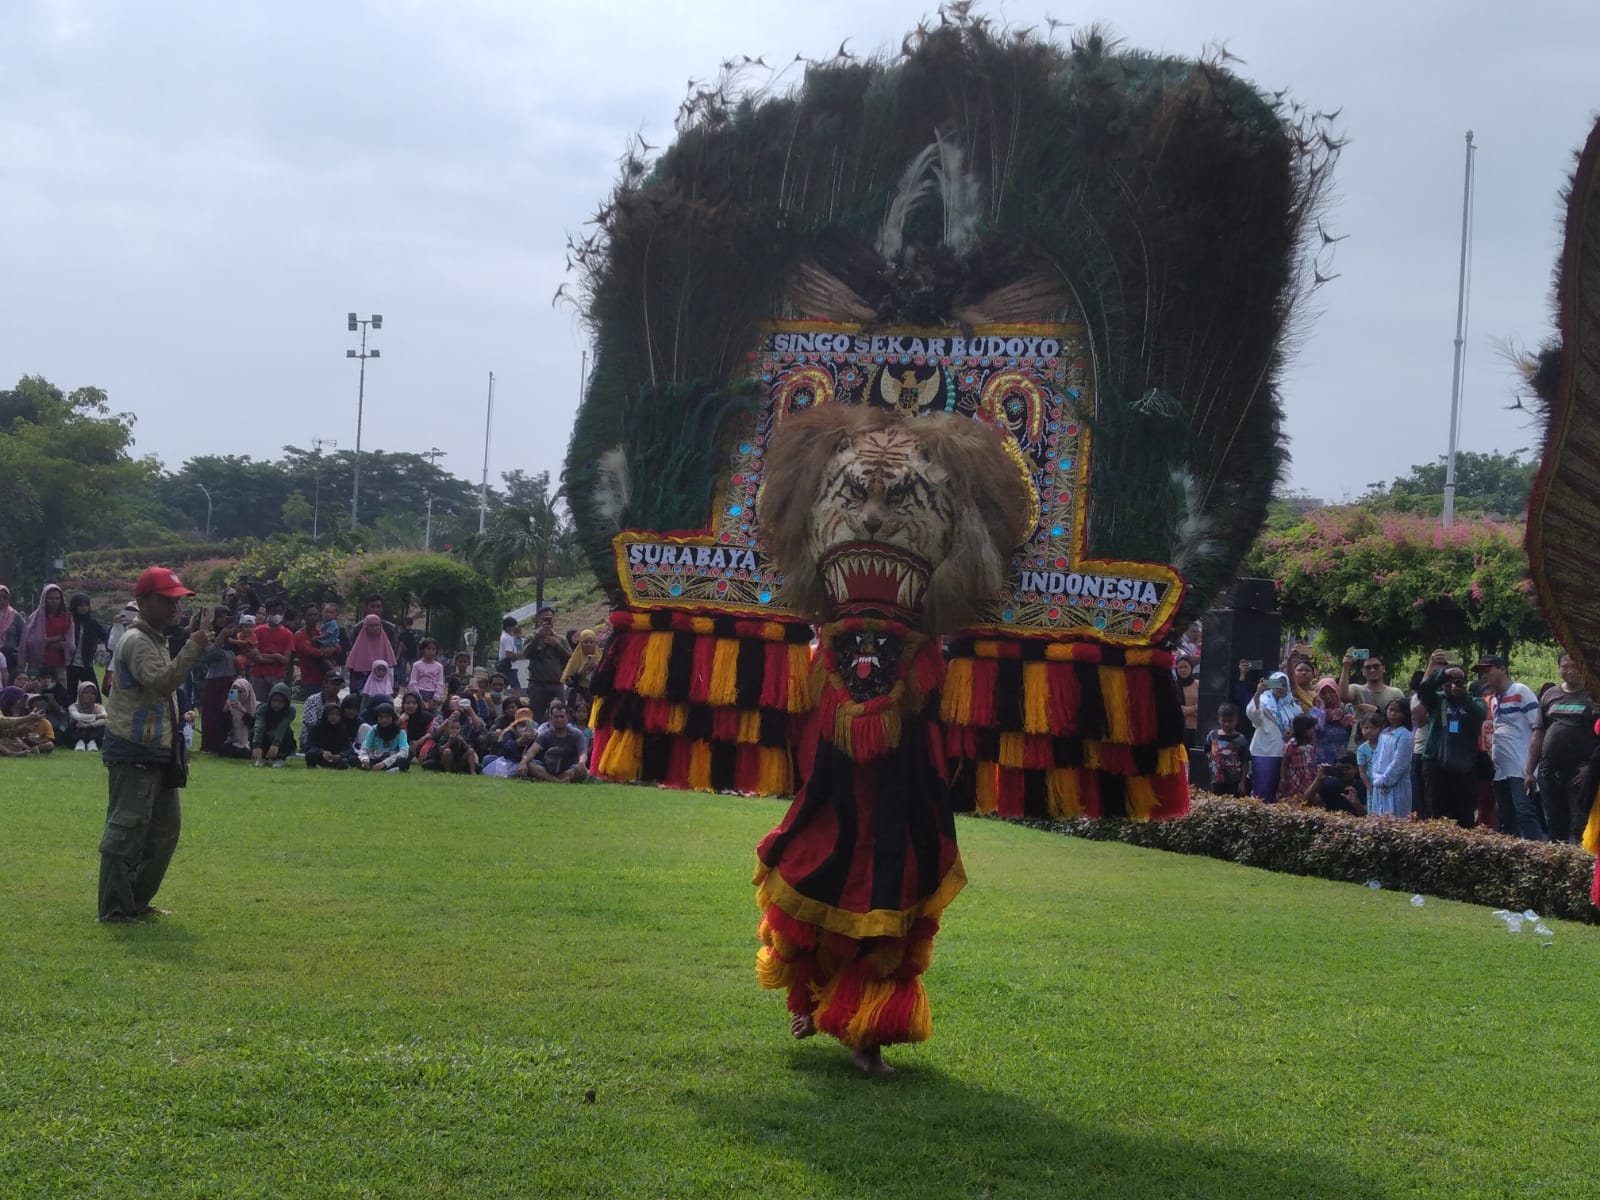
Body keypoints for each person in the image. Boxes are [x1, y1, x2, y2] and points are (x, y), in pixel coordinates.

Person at [97, 566, 212, 925]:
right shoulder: (136, 642)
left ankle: (135, 901)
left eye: (177, 600)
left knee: (164, 831)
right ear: (142, 601)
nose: (174, 608)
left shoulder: (157, 640)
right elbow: (162, 684)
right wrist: (194, 646)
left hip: (157, 750)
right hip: (134, 750)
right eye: (166, 600)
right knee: (128, 828)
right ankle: (115, 908)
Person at [1530, 651, 1598, 843]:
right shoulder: (1550, 695)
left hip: (1580, 774)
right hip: (1549, 772)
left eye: (1574, 666)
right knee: (1555, 825)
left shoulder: (1594, 696)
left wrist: (1590, 768)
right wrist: (1528, 771)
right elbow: (1538, 733)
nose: (1569, 671)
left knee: (1579, 826)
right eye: (1564, 666)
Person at [1475, 654, 1544, 840]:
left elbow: (1537, 729)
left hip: (1520, 767)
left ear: (1503, 669)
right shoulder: (1494, 699)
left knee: (1525, 813)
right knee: (1506, 817)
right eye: (1481, 672)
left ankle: (1539, 856)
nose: (1483, 675)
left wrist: (1531, 769)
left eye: (1487, 670)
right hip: (1501, 769)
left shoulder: (1521, 691)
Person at [1416, 653, 1487, 827]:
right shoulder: (1437, 700)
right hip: (1436, 762)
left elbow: (1479, 714)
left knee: (1464, 814)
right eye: (1448, 682)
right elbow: (1423, 690)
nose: (1452, 685)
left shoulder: (1475, 701)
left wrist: (1462, 696)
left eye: (1457, 681)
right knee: (1436, 813)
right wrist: (1444, 674)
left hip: (1464, 764)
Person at [1245, 671, 1296, 801]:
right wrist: (1258, 693)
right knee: (1262, 792)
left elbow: (1300, 726)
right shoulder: (1263, 702)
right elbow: (1253, 716)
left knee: (1282, 793)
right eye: (1277, 684)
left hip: (1286, 754)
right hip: (1264, 753)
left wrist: (1293, 732)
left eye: (1284, 685)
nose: (1280, 688)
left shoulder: (1293, 706)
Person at [197, 608, 239, 754]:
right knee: (211, 713)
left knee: (229, 711)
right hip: (214, 680)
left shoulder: (234, 638)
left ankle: (223, 743)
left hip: (232, 680)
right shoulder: (208, 636)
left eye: (226, 616)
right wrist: (221, 637)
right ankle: (208, 745)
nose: (223, 620)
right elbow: (208, 657)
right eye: (220, 617)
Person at [518, 698, 589, 782]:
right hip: (547, 768)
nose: (559, 720)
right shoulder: (545, 734)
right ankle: (558, 780)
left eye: (562, 717)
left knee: (583, 772)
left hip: (568, 769)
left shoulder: (577, 734)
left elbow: (583, 753)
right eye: (556, 717)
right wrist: (523, 761)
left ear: (567, 718)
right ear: (551, 718)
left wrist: (581, 762)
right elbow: (532, 751)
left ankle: (548, 779)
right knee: (530, 765)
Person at [1368, 698, 1414, 818]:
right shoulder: (1384, 733)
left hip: (1395, 785)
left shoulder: (1404, 735)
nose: (1393, 714)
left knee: (1395, 817)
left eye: (1398, 711)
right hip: (1379, 783)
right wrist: (1376, 776)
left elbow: (1399, 763)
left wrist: (1385, 780)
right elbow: (1377, 757)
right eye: (1391, 710)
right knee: (1379, 817)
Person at [522, 607, 569, 720]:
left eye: (550, 619)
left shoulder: (561, 639)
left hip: (556, 683)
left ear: (554, 620)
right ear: (538, 621)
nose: (548, 622)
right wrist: (538, 638)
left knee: (559, 715)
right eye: (544, 619)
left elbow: (569, 659)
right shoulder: (531, 637)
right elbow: (527, 654)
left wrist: (557, 645)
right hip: (537, 684)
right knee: (536, 716)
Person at [19, 583, 71, 675]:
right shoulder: (34, 618)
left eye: (56, 598)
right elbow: (31, 641)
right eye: (50, 598)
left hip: (58, 665)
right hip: (36, 664)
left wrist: (60, 644)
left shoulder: (67, 618)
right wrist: (55, 639)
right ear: (44, 599)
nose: (54, 601)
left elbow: (70, 642)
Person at [64, 592, 109, 693]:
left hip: (86, 664)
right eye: (80, 605)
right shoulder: (69, 620)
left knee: (94, 694)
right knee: (70, 694)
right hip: (71, 664)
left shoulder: (92, 622)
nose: (83, 608)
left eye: (86, 605)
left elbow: (105, 635)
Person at [249, 604, 294, 703]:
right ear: (269, 613)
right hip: (258, 675)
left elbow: (285, 660)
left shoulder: (288, 634)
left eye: (280, 613)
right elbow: (255, 657)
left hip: (277, 676)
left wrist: (264, 656)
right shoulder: (257, 631)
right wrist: (277, 656)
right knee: (257, 704)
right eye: (274, 612)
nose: (277, 615)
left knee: (276, 706)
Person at [1297, 754, 1368, 816]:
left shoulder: (1363, 787)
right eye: (1340, 769)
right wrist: (1318, 780)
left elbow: (1367, 817)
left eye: (1347, 768)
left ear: (1356, 769)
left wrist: (1356, 803)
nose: (1344, 772)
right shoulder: (1329, 786)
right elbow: (1305, 803)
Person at [1203, 703, 1250, 796]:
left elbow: (1245, 761)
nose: (1227, 724)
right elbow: (1207, 750)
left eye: (1230, 721)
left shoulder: (1241, 739)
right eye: (1224, 721)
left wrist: (1243, 782)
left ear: (1236, 720)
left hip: (1234, 782)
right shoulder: (1212, 736)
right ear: (1219, 720)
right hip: (1216, 781)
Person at [344, 614, 397, 693]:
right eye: (371, 625)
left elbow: (390, 667)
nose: (374, 628)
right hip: (362, 685)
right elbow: (353, 670)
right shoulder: (359, 644)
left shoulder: (385, 644)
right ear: (365, 626)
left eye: (377, 625)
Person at [561, 629, 602, 727]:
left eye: (591, 642)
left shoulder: (601, 657)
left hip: (597, 695)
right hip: (579, 697)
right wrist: (580, 672)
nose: (588, 645)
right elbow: (568, 682)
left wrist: (598, 668)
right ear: (580, 643)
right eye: (585, 642)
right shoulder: (575, 658)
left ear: (595, 643)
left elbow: (609, 678)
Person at [250, 683, 297, 766]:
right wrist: (257, 745)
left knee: (288, 732)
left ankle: (281, 757)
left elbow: (283, 726)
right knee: (254, 731)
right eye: (274, 700)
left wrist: (276, 744)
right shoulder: (263, 708)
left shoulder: (290, 711)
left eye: (280, 702)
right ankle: (261, 756)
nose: (276, 704)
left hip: (280, 740)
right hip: (265, 738)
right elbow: (259, 725)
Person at [356, 701, 410, 772]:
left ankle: (386, 771)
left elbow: (404, 751)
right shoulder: (374, 729)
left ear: (392, 717)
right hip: (376, 758)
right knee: (355, 759)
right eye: (381, 717)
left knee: (404, 762)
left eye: (387, 717)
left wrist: (384, 763)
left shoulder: (400, 732)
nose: (384, 720)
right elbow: (365, 747)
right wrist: (365, 759)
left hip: (391, 759)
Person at [1312, 677, 1353, 766]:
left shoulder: (1346, 709)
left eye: (1331, 691)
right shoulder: (1315, 711)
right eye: (1323, 693)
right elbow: (1319, 728)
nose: (1327, 696)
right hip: (1321, 757)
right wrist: (1322, 708)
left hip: (1342, 757)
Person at [1281, 713, 1321, 802]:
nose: (1314, 730)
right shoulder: (1291, 745)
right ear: (1303, 730)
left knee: (1310, 798)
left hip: (1309, 777)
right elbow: (1284, 764)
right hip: (1296, 778)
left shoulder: (1310, 745)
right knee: (1297, 800)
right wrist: (1283, 780)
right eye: (1311, 728)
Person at [300, 670, 345, 749]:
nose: (336, 687)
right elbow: (311, 725)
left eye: (338, 684)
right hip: (312, 739)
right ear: (325, 683)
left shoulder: (341, 703)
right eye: (333, 683)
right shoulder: (312, 700)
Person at [304, 702, 356, 769]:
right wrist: (322, 752)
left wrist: (340, 755)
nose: (334, 717)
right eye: (331, 714)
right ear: (326, 714)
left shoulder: (342, 729)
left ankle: (337, 764)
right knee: (310, 755)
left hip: (336, 757)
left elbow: (349, 748)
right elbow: (309, 746)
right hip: (321, 756)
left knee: (353, 758)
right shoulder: (316, 728)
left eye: (337, 715)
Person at [216, 677, 257, 759]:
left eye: (240, 692)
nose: (237, 695)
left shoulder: (256, 706)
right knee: (223, 748)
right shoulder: (231, 709)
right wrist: (225, 710)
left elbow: (253, 725)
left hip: (249, 741)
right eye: (234, 692)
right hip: (235, 741)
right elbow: (221, 729)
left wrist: (242, 710)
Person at [67, 680, 108, 751]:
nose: (89, 695)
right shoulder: (73, 707)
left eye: (92, 693)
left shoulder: (99, 707)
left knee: (100, 726)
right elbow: (78, 716)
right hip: (77, 730)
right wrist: (96, 717)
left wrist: (90, 725)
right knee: (76, 723)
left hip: (93, 731)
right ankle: (79, 742)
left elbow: (105, 718)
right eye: (85, 693)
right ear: (80, 694)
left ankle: (93, 742)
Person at [1355, 713, 1383, 797]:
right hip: (1371, 784)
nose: (1369, 731)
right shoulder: (1362, 749)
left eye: (1373, 728)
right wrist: (1370, 788)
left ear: (1380, 729)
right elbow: (1362, 772)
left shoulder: (1385, 745)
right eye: (1366, 728)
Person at [409, 638, 445, 702]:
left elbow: (440, 683)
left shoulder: (439, 666)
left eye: (433, 649)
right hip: (419, 692)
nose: (431, 651)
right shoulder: (416, 665)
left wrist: (436, 697)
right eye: (428, 649)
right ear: (423, 650)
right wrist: (418, 697)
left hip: (433, 694)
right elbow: (413, 682)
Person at [1174, 655, 1199, 746]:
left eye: (1186, 667)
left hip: (1196, 728)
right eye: (1180, 667)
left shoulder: (1198, 684)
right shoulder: (1173, 686)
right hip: (1179, 728)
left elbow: (1205, 704)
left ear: (1191, 667)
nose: (1183, 670)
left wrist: (1190, 709)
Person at [0, 583, 21, 667]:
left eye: (4, 597)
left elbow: (24, 635)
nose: (1, 599)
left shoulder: (15, 615)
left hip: (10, 658)